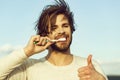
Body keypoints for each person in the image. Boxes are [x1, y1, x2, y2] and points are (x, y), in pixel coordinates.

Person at [0, 0, 108, 80]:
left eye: (65, 25)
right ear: (44, 35)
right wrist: (26, 52)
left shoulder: (90, 67)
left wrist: (100, 79)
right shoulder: (29, 67)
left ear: (71, 29)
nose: (61, 31)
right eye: (53, 28)